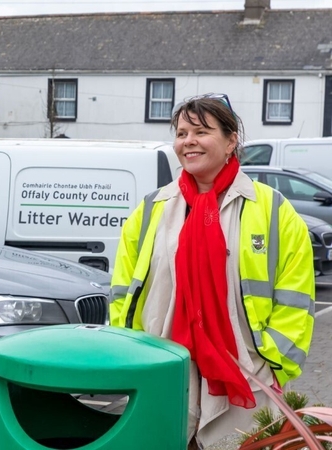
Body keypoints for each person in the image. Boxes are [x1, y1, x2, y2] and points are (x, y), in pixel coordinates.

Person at [110, 94, 315, 449]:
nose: (187, 141)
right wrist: (134, 359)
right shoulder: (151, 209)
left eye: (201, 131)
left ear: (231, 140)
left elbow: (296, 298)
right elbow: (122, 292)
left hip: (246, 379)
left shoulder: (273, 211)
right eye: (181, 133)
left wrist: (269, 363)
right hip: (166, 374)